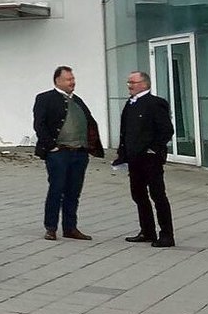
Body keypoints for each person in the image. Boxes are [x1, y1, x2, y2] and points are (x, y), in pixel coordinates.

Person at [32, 66, 105, 241]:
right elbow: (39, 125)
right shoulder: (45, 98)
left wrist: (89, 147)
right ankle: (51, 227)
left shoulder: (78, 101)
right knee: (56, 190)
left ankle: (70, 227)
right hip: (59, 153)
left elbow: (89, 124)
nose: (72, 82)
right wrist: (51, 146)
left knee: (74, 192)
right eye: (68, 79)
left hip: (79, 153)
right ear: (57, 80)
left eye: (73, 79)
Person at [116, 70, 175, 248]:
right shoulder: (130, 104)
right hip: (134, 158)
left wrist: (153, 149)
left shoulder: (156, 103)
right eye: (128, 83)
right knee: (138, 194)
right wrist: (122, 154)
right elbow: (125, 131)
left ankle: (166, 234)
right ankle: (147, 231)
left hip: (150, 159)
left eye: (132, 82)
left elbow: (166, 130)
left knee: (157, 195)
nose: (129, 86)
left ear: (144, 84)